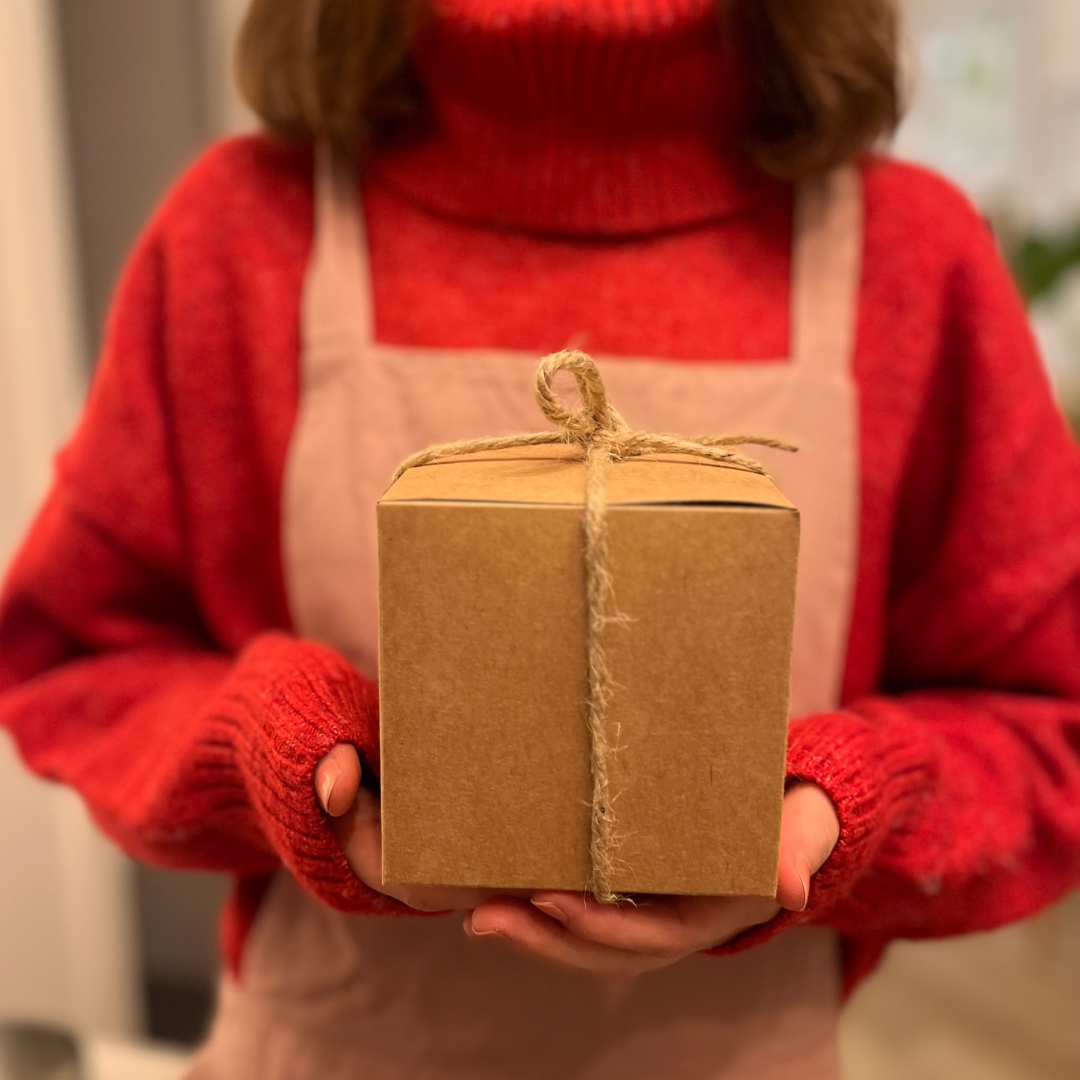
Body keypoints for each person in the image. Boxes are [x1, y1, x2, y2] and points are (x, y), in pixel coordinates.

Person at [2, 0, 1080, 1076]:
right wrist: (264, 750)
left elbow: (1052, 729)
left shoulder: (911, 258)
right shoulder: (240, 232)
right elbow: (68, 661)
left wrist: (844, 813)